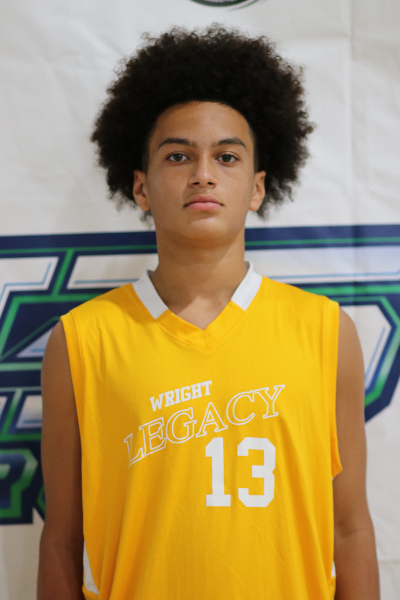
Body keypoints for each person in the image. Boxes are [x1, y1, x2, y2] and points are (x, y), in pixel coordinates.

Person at [37, 26, 380, 600]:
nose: (203, 173)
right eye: (178, 156)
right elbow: (62, 542)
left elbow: (350, 529)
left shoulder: (325, 331)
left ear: (257, 187)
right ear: (141, 187)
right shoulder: (81, 340)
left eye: (226, 156)